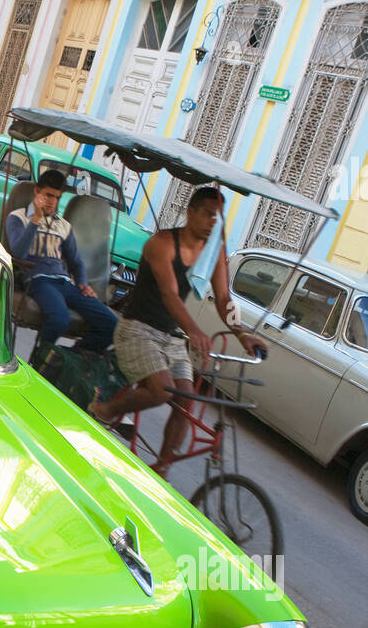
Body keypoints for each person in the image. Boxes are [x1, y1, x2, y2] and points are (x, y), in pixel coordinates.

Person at [89, 185, 265, 478]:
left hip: (169, 337)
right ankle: (106, 410)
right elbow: (170, 294)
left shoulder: (214, 250)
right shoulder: (162, 244)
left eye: (218, 218)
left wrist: (242, 334)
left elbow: (223, 299)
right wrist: (194, 331)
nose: (213, 222)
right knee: (160, 390)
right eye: (208, 214)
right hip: (137, 329)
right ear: (190, 212)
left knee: (186, 400)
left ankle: (162, 467)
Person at [5, 168, 118, 352]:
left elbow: (75, 261)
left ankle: (69, 358)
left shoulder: (63, 225)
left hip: (64, 282)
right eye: (48, 195)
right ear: (37, 191)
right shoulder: (18, 218)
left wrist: (82, 283)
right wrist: (35, 219)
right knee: (59, 319)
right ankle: (41, 359)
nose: (52, 202)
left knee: (111, 324)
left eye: (57, 197)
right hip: (37, 279)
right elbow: (18, 253)